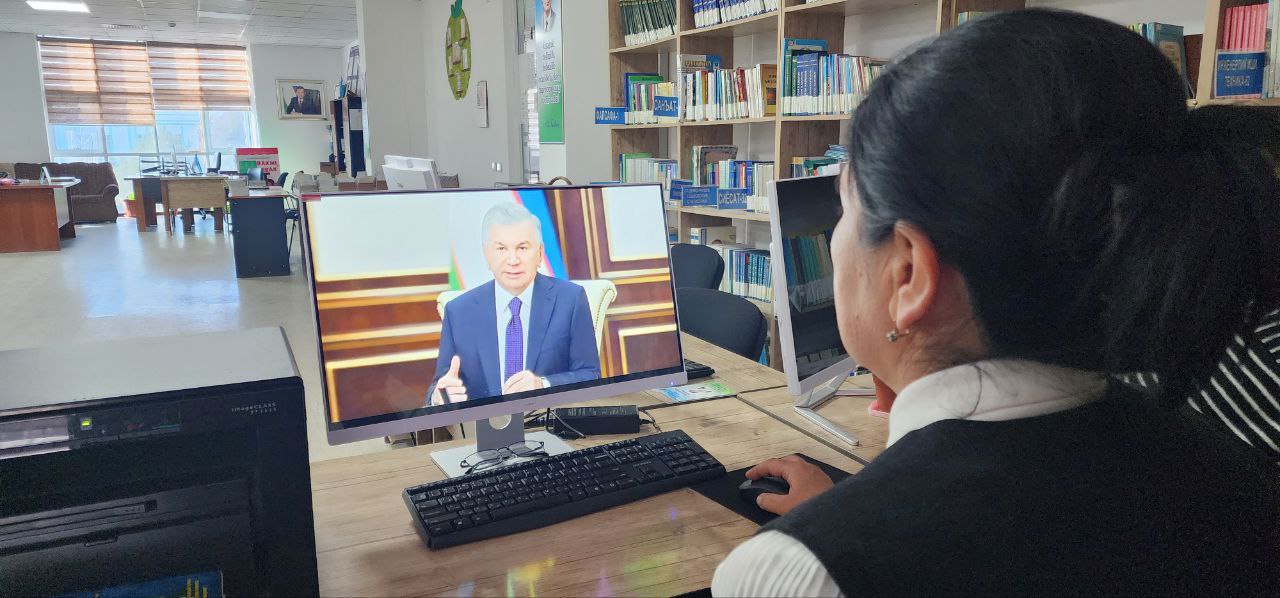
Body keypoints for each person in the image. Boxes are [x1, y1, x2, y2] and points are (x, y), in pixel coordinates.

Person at [712, 9, 1280, 596]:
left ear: (909, 273)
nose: (836, 240)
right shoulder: (1242, 483)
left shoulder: (799, 571)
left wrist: (832, 531)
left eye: (844, 209)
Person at [429, 202, 599, 404]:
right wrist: (439, 397)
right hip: (485, 422)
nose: (513, 260)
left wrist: (543, 385)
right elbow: (440, 386)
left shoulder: (571, 299)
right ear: (487, 254)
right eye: (501, 248)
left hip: (550, 418)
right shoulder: (459, 311)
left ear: (539, 253)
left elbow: (590, 375)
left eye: (522, 248)